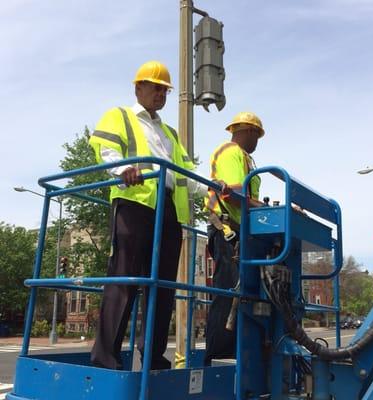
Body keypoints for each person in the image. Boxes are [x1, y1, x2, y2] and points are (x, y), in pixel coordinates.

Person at [89, 60, 205, 370]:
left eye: (165, 89)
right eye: (155, 87)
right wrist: (124, 169)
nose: (160, 94)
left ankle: (153, 355)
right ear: (138, 87)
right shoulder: (120, 116)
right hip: (134, 201)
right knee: (124, 277)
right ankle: (105, 357)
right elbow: (106, 150)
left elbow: (186, 173)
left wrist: (211, 191)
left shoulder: (169, 132)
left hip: (167, 208)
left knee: (163, 285)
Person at [203, 111, 265, 366]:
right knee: (228, 293)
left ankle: (240, 351)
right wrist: (262, 206)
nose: (258, 140)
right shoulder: (231, 152)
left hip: (241, 231)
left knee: (244, 294)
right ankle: (218, 356)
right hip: (228, 231)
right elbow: (230, 192)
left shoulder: (248, 160)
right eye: (257, 135)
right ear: (248, 131)